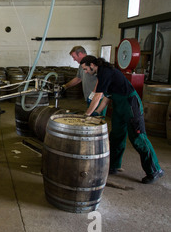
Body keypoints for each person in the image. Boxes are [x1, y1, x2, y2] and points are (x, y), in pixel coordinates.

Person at [80, 55, 164, 184]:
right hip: (119, 106)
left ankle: (154, 170)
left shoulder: (105, 72)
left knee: (138, 138)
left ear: (92, 65)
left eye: (85, 69)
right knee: (116, 135)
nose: (85, 72)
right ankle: (113, 165)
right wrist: (97, 112)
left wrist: (87, 115)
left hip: (130, 104)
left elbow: (98, 96)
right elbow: (107, 96)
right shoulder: (101, 73)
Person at [62, 46, 107, 116]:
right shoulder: (81, 65)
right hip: (89, 98)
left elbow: (101, 81)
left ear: (80, 54)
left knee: (97, 119)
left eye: (74, 57)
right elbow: (78, 78)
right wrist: (65, 86)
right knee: (90, 121)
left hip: (98, 99)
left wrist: (94, 94)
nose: (74, 59)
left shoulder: (93, 64)